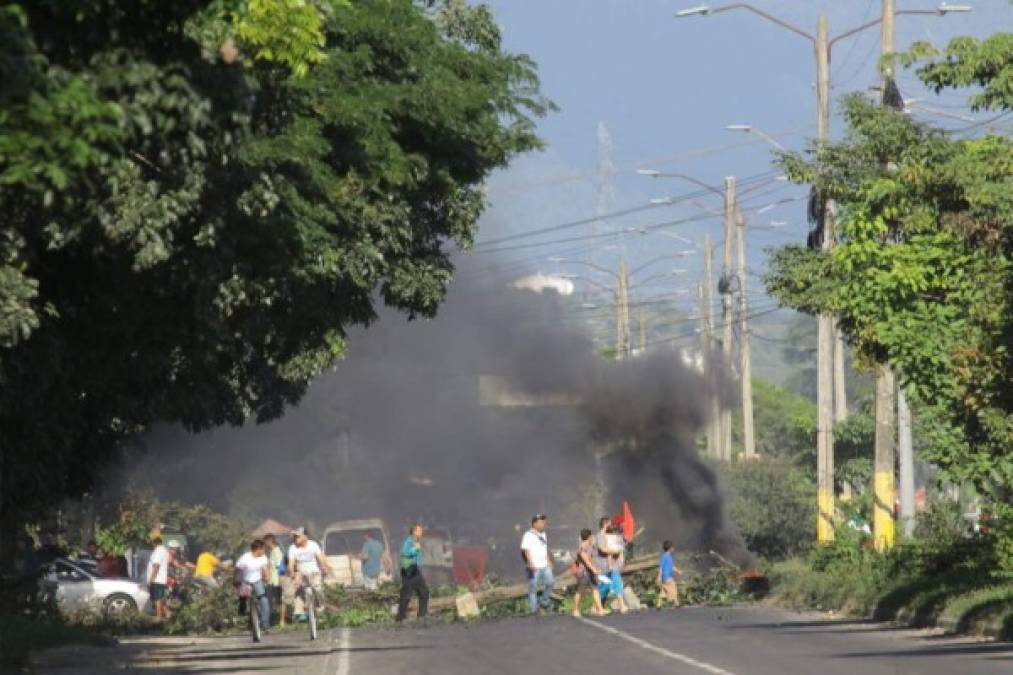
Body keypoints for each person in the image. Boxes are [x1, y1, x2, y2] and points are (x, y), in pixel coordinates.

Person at [288, 527, 331, 621]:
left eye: (297, 536)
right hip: (301, 573)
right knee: (298, 590)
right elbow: (291, 563)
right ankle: (299, 612)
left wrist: (324, 567)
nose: (295, 539)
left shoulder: (313, 545)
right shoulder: (292, 548)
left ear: (305, 536)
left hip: (314, 572)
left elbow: (321, 558)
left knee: (318, 588)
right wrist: (292, 573)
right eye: (294, 537)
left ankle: (321, 607)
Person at [520, 514, 555, 614]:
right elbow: (525, 550)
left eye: (544, 522)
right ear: (534, 523)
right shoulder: (528, 535)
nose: (544, 524)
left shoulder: (543, 534)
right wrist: (530, 563)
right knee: (533, 588)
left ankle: (543, 602)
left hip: (544, 565)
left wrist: (548, 560)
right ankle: (534, 610)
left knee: (551, 582)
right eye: (541, 522)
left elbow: (544, 548)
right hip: (534, 567)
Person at [236, 539, 272, 635]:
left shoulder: (263, 557)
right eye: (263, 549)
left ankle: (265, 626)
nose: (264, 551)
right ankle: (245, 621)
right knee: (243, 601)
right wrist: (236, 581)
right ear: (257, 549)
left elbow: (265, 568)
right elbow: (238, 570)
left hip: (257, 581)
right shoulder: (245, 558)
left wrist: (267, 578)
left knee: (264, 601)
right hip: (246, 582)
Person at [396, 524, 429, 622]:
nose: (421, 532)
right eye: (419, 530)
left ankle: (421, 615)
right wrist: (415, 549)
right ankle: (401, 617)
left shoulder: (415, 541)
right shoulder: (409, 541)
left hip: (414, 569)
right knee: (406, 594)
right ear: (414, 532)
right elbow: (405, 553)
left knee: (424, 591)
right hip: (409, 570)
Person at [595, 518, 627, 614]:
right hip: (604, 566)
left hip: (609, 566)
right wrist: (616, 551)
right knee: (616, 583)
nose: (612, 525)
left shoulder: (608, 536)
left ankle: (598, 607)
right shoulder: (600, 536)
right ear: (605, 524)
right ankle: (622, 605)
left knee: (605, 587)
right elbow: (603, 550)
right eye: (610, 523)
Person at [572, 528, 605, 617]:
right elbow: (586, 561)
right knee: (580, 591)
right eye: (592, 535)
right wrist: (594, 569)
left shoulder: (592, 546)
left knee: (595, 589)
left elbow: (593, 558)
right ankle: (575, 610)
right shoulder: (582, 547)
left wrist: (596, 568)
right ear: (589, 536)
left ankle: (600, 609)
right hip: (583, 573)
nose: (593, 537)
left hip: (591, 573)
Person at [147, 536, 171, 621]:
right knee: (159, 598)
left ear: (155, 543)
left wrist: (151, 579)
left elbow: (156, 566)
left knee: (157, 599)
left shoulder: (158, 551)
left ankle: (159, 616)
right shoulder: (163, 550)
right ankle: (168, 613)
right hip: (159, 578)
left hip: (157, 579)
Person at [264, 535, 283, 623]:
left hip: (276, 581)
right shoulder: (272, 552)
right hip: (271, 581)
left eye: (265, 542)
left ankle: (274, 620)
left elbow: (279, 567)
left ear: (270, 541)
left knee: (274, 601)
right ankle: (271, 620)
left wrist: (279, 581)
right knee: (270, 601)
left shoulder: (276, 551)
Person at [657, 540, 681, 607]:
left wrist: (678, 571)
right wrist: (659, 576)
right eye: (672, 547)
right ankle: (676, 603)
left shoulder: (667, 557)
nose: (673, 549)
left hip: (665, 577)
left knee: (663, 591)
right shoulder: (665, 557)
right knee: (673, 588)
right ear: (670, 548)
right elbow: (661, 567)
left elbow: (671, 566)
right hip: (667, 577)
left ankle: (659, 604)